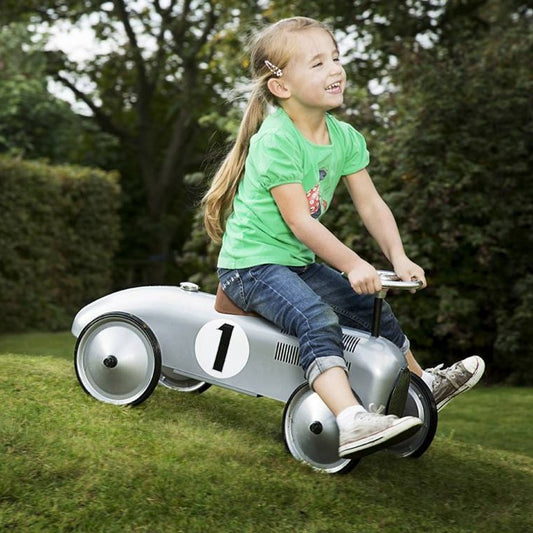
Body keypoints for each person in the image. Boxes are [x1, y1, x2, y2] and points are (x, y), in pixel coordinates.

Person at [202, 17, 484, 458]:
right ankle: (351, 419)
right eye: (317, 63)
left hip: (294, 263)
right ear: (281, 86)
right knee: (315, 318)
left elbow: (371, 205)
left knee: (370, 308)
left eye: (335, 58)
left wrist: (398, 256)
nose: (335, 69)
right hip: (250, 267)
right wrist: (352, 263)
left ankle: (422, 384)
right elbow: (301, 222)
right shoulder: (277, 140)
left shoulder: (345, 138)